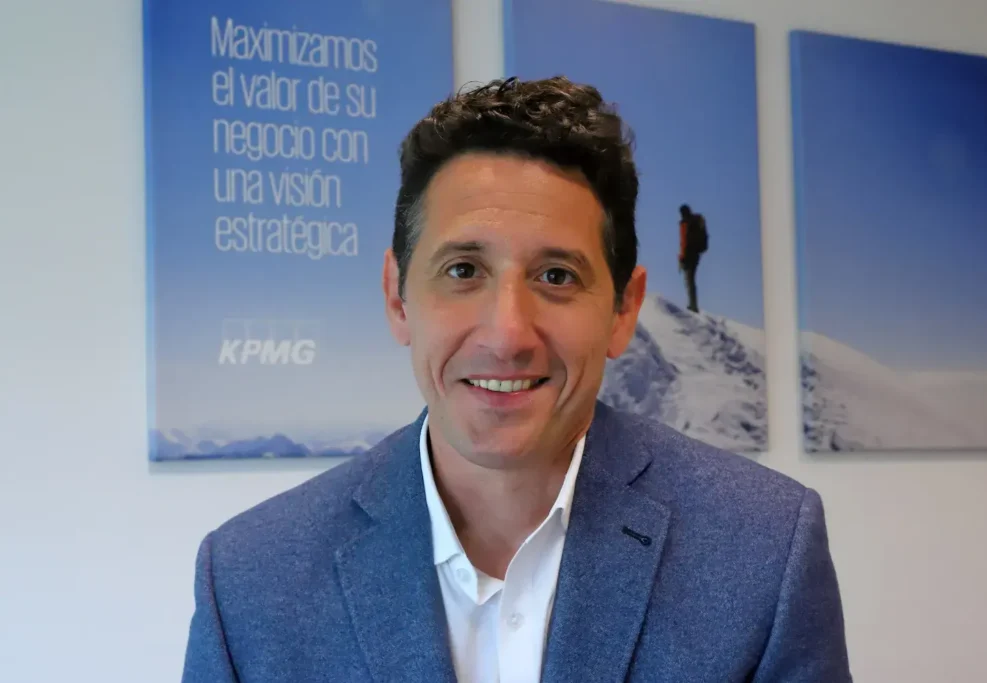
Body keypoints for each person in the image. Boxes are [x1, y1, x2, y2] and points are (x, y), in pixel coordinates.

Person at [181, 76, 852, 682]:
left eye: (556, 276)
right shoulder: (248, 584)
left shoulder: (765, 551)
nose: (506, 335)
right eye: (463, 270)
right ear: (396, 296)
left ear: (623, 310)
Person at [678, 203, 707, 313]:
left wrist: (681, 258)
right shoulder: (695, 220)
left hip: (688, 255)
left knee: (689, 280)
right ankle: (693, 304)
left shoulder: (685, 223)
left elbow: (683, 242)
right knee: (691, 279)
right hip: (695, 254)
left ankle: (693, 306)